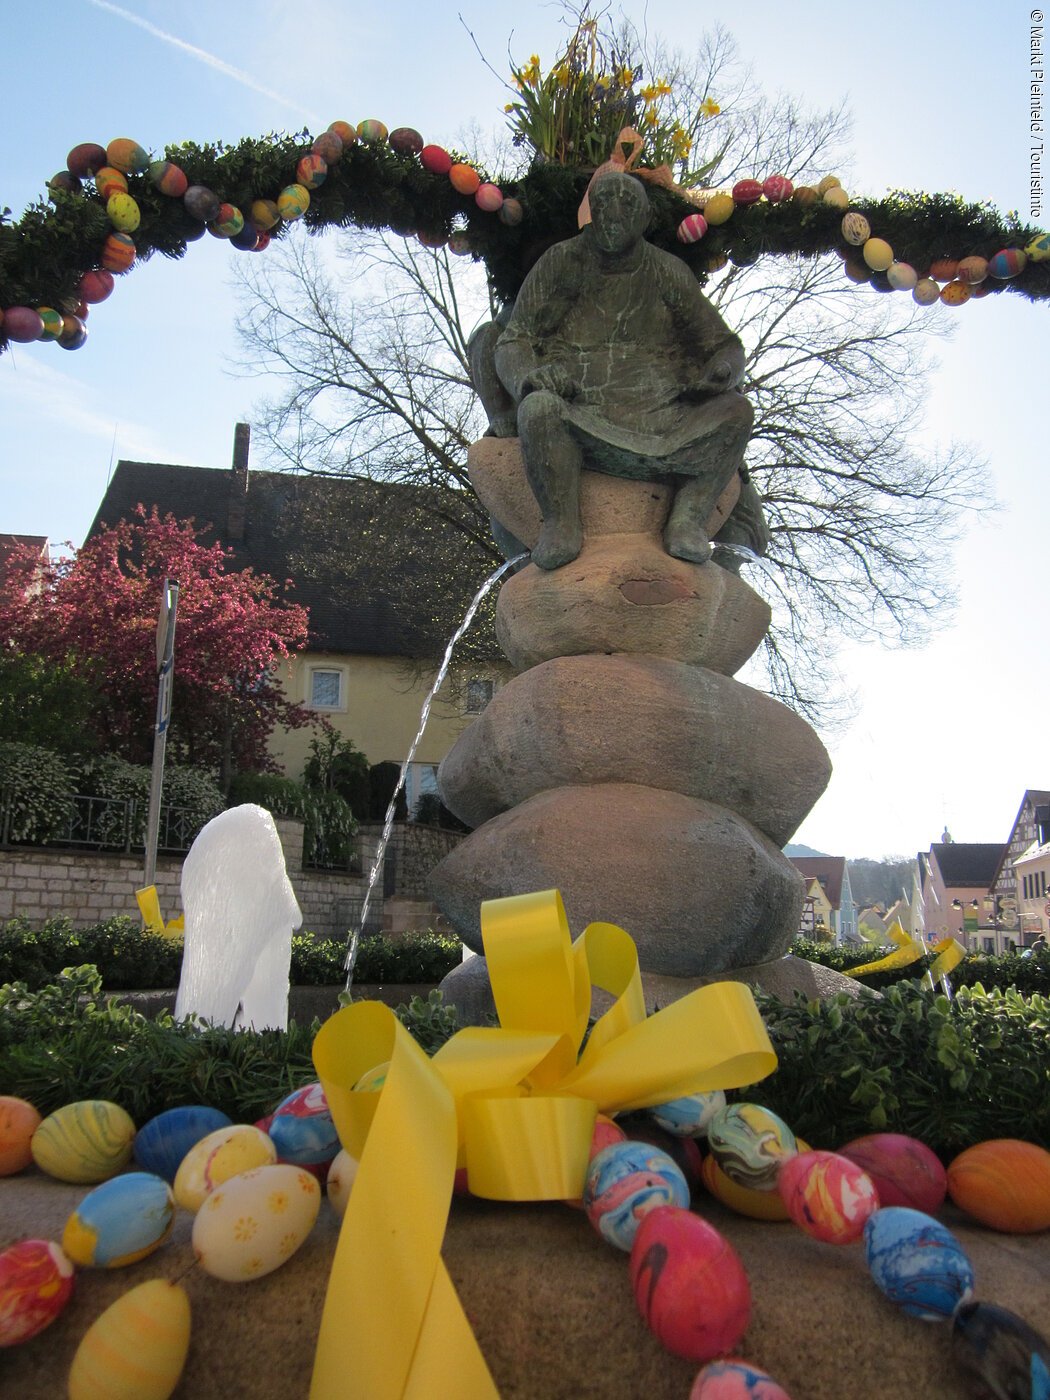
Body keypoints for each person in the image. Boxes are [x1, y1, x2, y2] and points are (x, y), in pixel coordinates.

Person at [492, 170, 755, 570]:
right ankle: (562, 524)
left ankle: (688, 519)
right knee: (539, 409)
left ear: (645, 215)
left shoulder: (667, 270)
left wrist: (721, 371)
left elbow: (723, 344)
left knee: (736, 412)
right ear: (592, 211)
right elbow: (514, 340)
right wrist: (530, 376)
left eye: (628, 203)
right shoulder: (561, 261)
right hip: (582, 408)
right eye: (604, 202)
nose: (615, 212)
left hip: (663, 414)